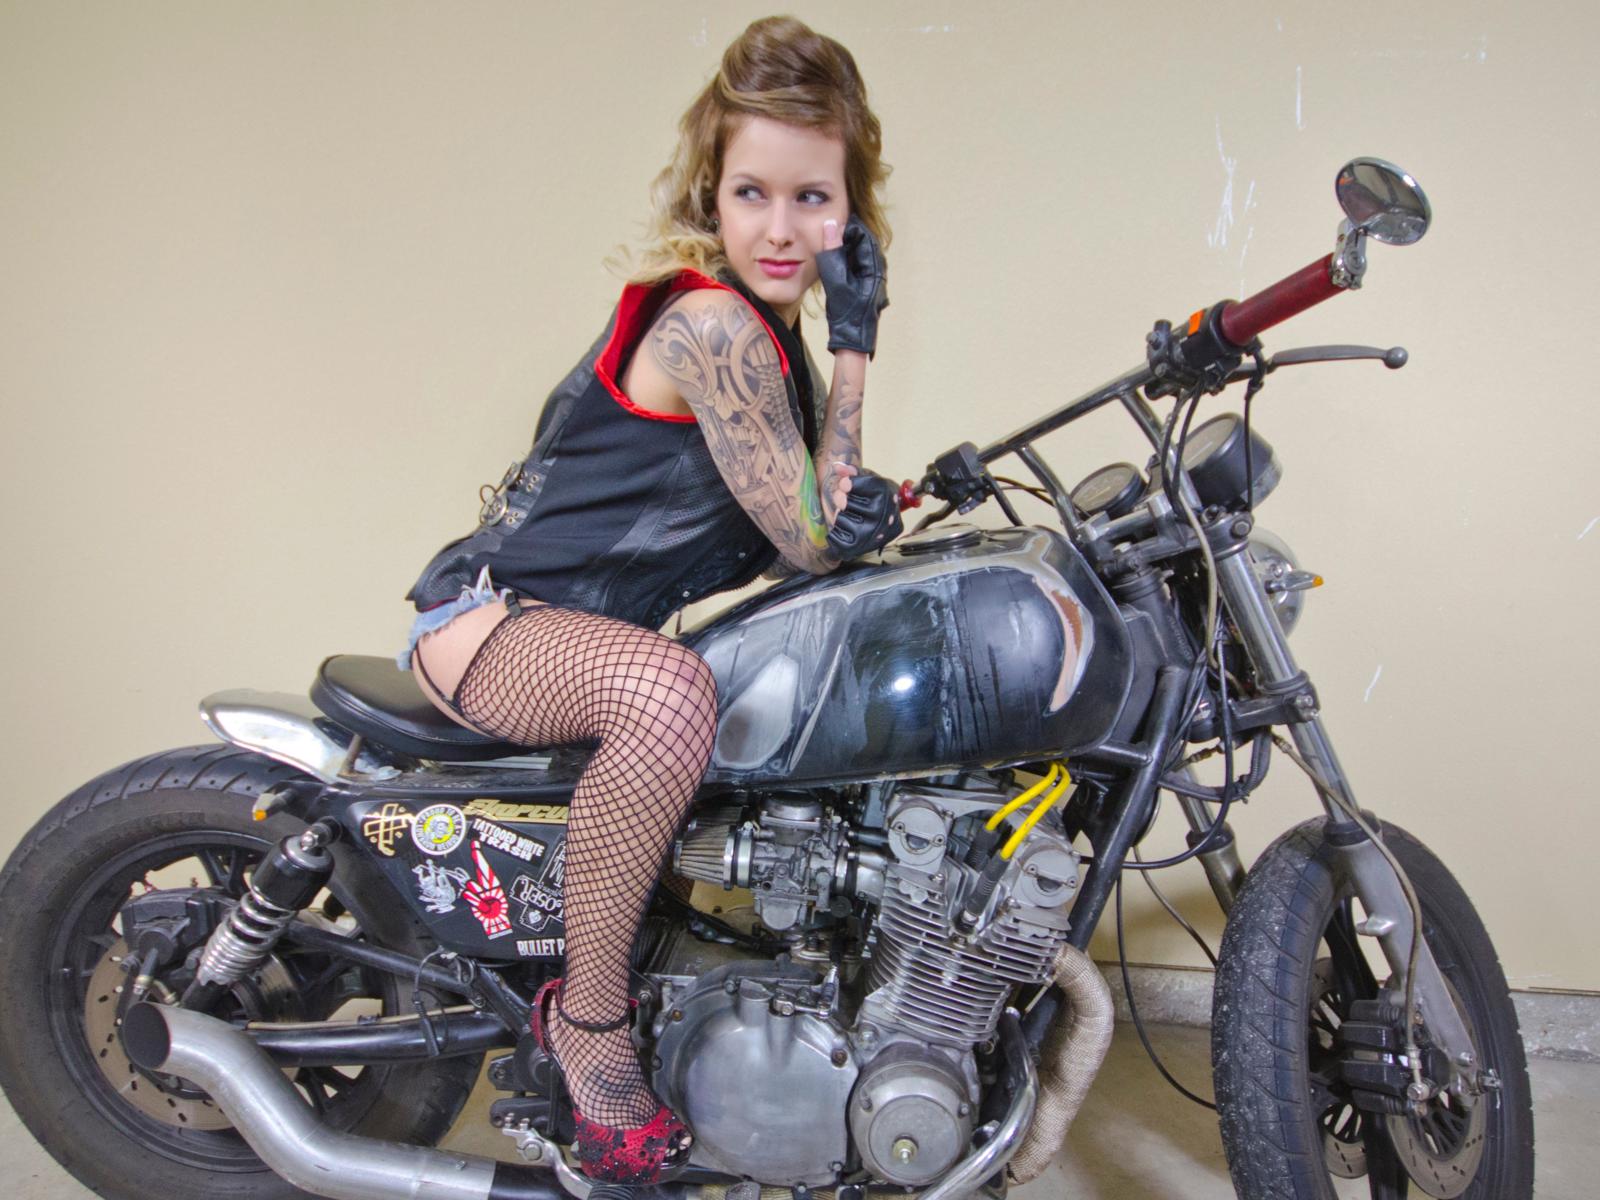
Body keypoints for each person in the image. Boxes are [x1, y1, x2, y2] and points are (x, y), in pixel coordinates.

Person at [400, 16, 900, 1185]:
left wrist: (864, 501)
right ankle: (587, 1027)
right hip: (489, 623)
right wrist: (860, 345)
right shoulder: (714, 324)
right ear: (711, 193)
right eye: (752, 193)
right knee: (673, 694)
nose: (781, 229)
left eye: (813, 198)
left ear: (852, 211)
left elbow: (804, 535)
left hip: (573, 639)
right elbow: (810, 538)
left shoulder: (772, 342)